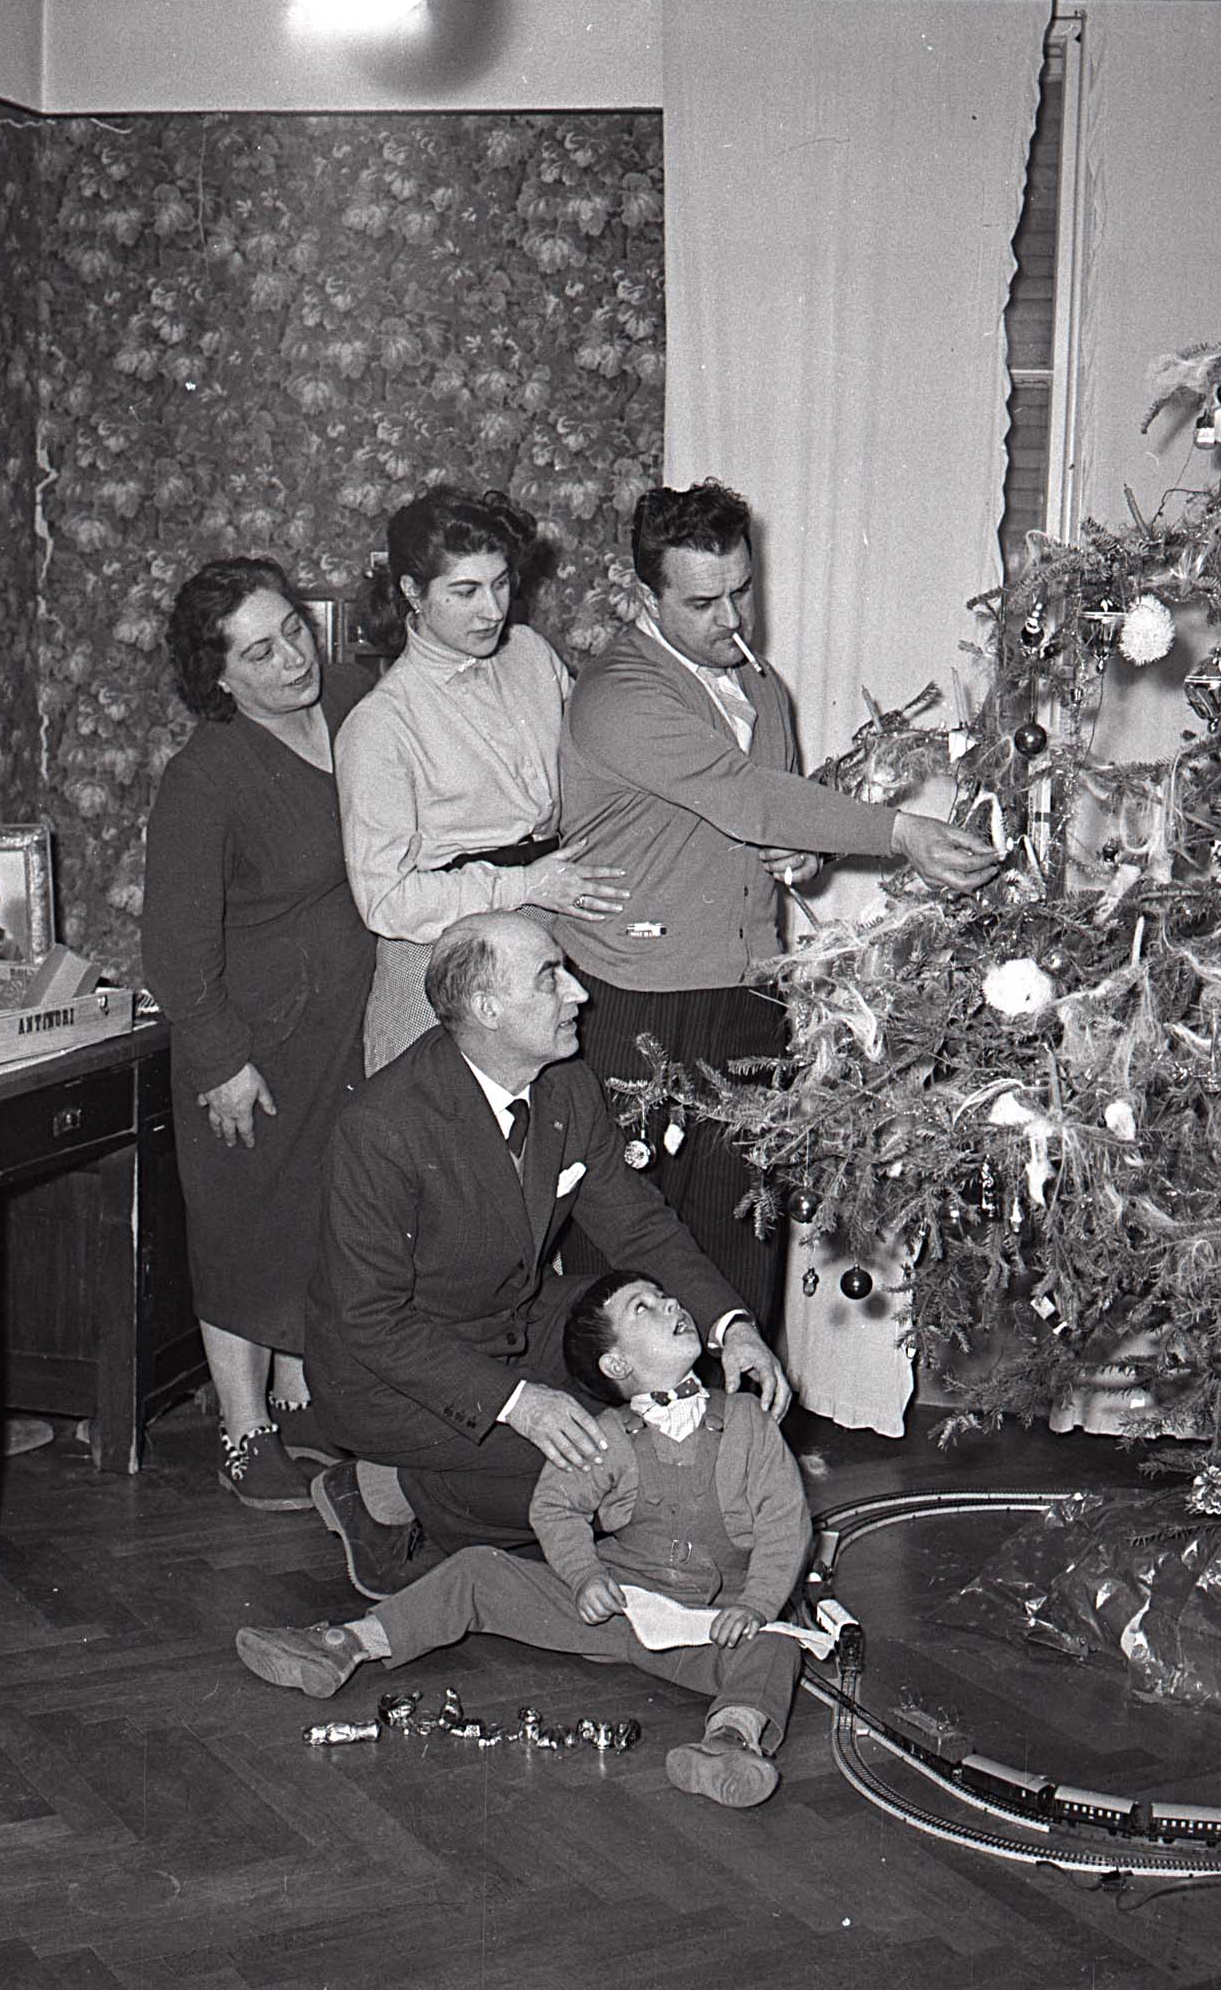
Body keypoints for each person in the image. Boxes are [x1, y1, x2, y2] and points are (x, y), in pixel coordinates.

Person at [556, 479, 1003, 1320]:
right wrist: (898, 832)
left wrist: (805, 853)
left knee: (740, 1244)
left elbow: (775, 816)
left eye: (741, 591)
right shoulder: (619, 693)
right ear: (645, 598)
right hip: (635, 996)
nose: (731, 620)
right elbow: (744, 796)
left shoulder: (761, 687)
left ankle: (741, 1408)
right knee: (624, 1270)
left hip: (749, 994)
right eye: (701, 603)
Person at [301, 909, 791, 1602]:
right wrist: (517, 1404)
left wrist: (730, 1326)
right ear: (487, 1009)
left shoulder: (566, 1085)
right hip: (392, 1377)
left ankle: (432, 1486)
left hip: (513, 1323)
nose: (579, 994)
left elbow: (638, 1228)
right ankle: (386, 1492)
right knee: (607, 1469)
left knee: (635, 1419)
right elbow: (371, 1321)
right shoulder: (382, 1127)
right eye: (549, 978)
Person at [238, 1268, 810, 1809]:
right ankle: (347, 1644)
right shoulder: (609, 1434)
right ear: (616, 1364)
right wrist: (584, 1577)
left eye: (665, 1298)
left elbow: (786, 1521)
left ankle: (730, 1741)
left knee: (776, 1647)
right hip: (615, 1608)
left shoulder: (748, 1421)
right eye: (645, 1307)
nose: (672, 1305)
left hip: (713, 1625)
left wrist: (757, 1606)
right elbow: (555, 1506)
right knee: (478, 1570)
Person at [143, 557, 376, 1511]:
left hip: (343, 1029)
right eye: (259, 652)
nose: (292, 660)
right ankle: (243, 1434)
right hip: (252, 1048)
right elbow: (174, 948)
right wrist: (221, 1063)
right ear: (220, 677)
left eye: (293, 632)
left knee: (317, 1218)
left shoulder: (354, 704)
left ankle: (297, 1399)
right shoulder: (204, 777)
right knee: (243, 1231)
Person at [336, 487, 629, 1075]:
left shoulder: (529, 653)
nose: (492, 610)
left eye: (500, 583)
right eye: (465, 591)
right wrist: (527, 884)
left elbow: (599, 767)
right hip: (442, 963)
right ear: (412, 592)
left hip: (547, 935)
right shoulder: (380, 725)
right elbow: (386, 901)